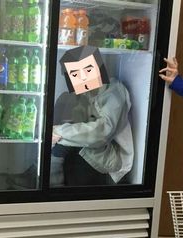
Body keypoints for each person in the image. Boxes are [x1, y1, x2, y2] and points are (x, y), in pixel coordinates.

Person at [50, 45, 134, 186]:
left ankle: (51, 182)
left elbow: (102, 133)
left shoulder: (113, 91)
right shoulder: (82, 93)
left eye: (86, 71)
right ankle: (45, 178)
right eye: (73, 75)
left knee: (65, 142)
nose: (79, 79)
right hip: (87, 152)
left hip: (110, 157)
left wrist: (58, 132)